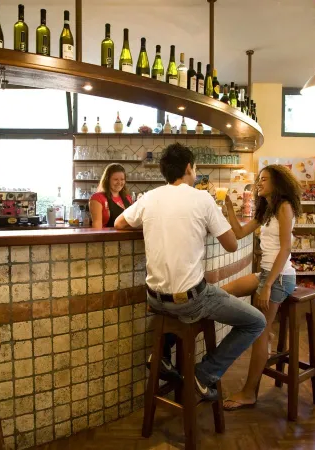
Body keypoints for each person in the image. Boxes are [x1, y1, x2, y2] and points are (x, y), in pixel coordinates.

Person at [114, 143, 266, 400]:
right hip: (189, 303)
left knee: (184, 299)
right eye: (194, 168)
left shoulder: (150, 197)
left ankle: (162, 355)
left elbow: (119, 223)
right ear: (188, 168)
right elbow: (231, 245)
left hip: (154, 299)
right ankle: (204, 373)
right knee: (256, 322)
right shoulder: (202, 198)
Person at [221, 164, 302, 411]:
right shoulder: (267, 210)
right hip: (266, 273)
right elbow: (240, 232)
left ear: (277, 183)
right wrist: (228, 209)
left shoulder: (285, 207)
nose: (259, 183)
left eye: (264, 179)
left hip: (279, 277)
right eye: (258, 179)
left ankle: (249, 393)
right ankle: (263, 329)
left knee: (258, 337)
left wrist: (266, 286)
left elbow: (286, 248)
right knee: (221, 293)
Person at [89, 163, 133, 228]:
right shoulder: (97, 198)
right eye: (115, 179)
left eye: (122, 179)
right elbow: (97, 226)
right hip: (106, 237)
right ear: (107, 180)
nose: (119, 182)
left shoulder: (128, 198)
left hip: (128, 237)